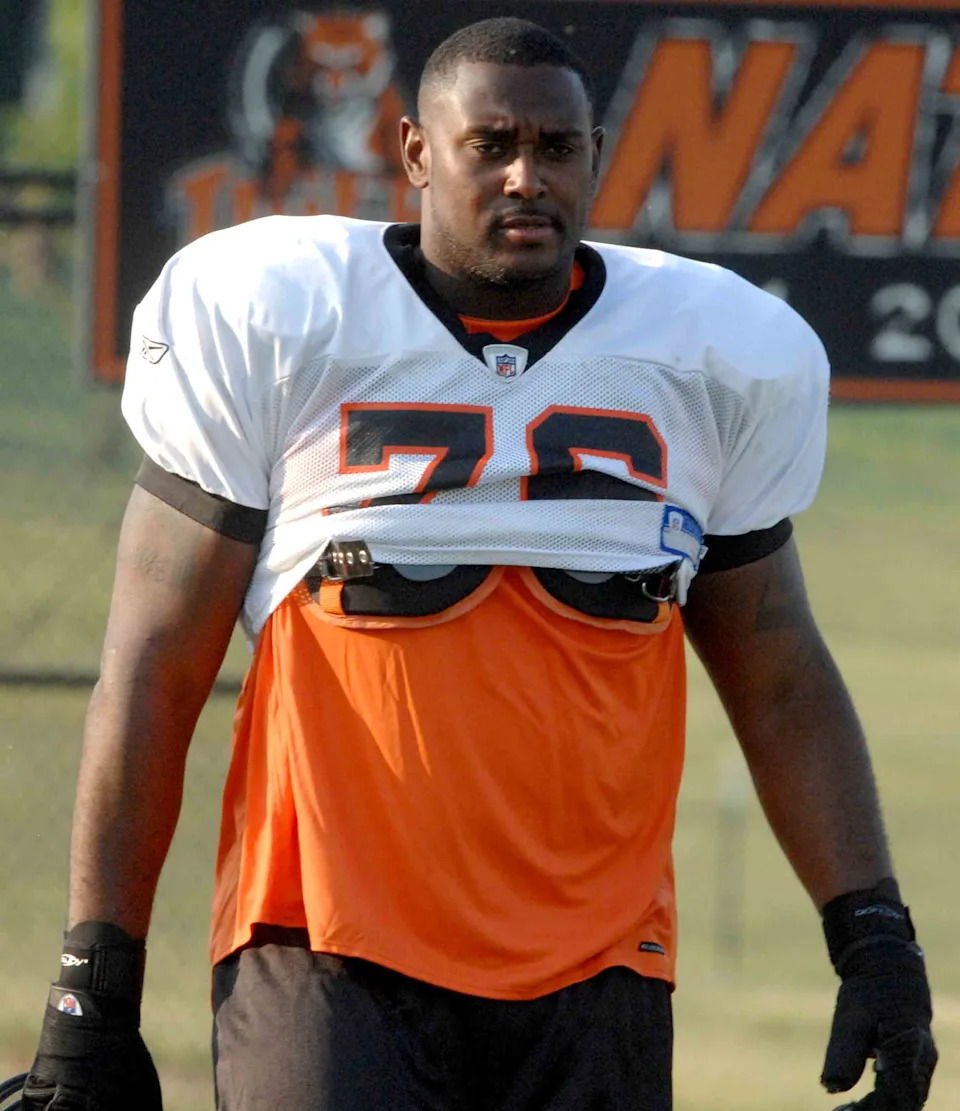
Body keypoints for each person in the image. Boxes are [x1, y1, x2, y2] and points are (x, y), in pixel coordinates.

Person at [20, 16, 936, 1111]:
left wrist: (873, 931)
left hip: (598, 968)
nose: (525, 176)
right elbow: (154, 666)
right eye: (490, 143)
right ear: (414, 152)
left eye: (556, 149)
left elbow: (779, 674)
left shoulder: (711, 358)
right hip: (322, 945)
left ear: (594, 156)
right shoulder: (280, 319)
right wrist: (94, 985)